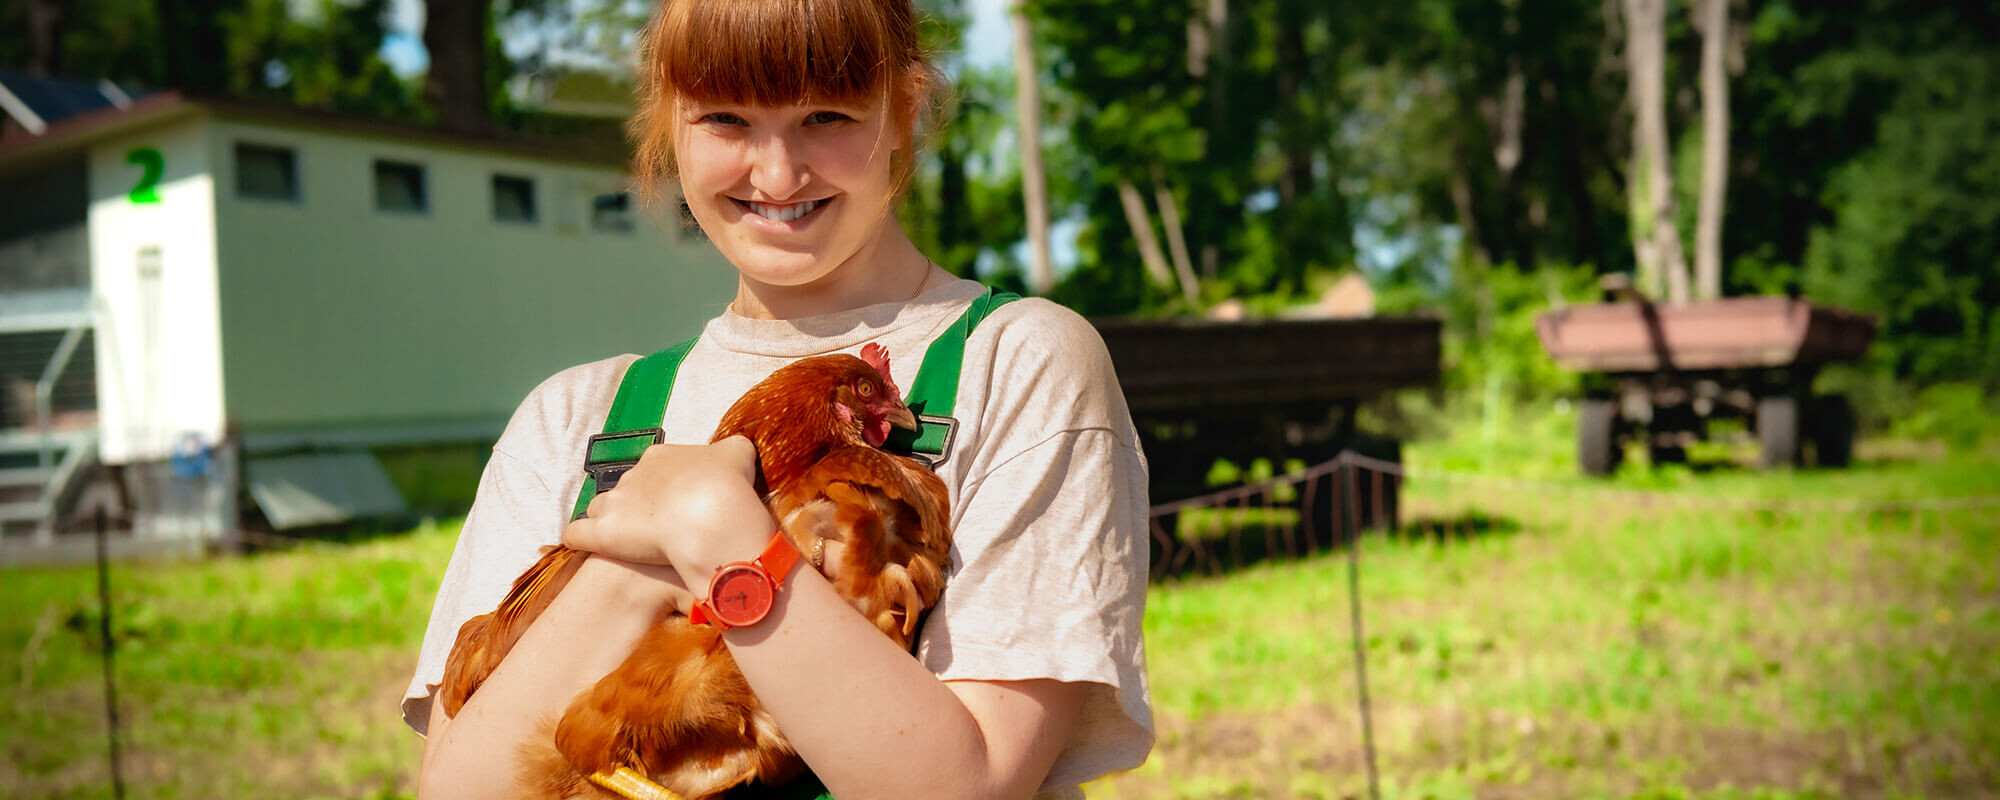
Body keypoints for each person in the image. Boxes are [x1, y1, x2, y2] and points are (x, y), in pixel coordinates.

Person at [401, 0, 1153, 797]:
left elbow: (968, 787)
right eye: (727, 120)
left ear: (906, 108)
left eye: (824, 117)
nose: (777, 175)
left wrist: (714, 530)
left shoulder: (1016, 362)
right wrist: (629, 576)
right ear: (671, 120)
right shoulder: (572, 420)